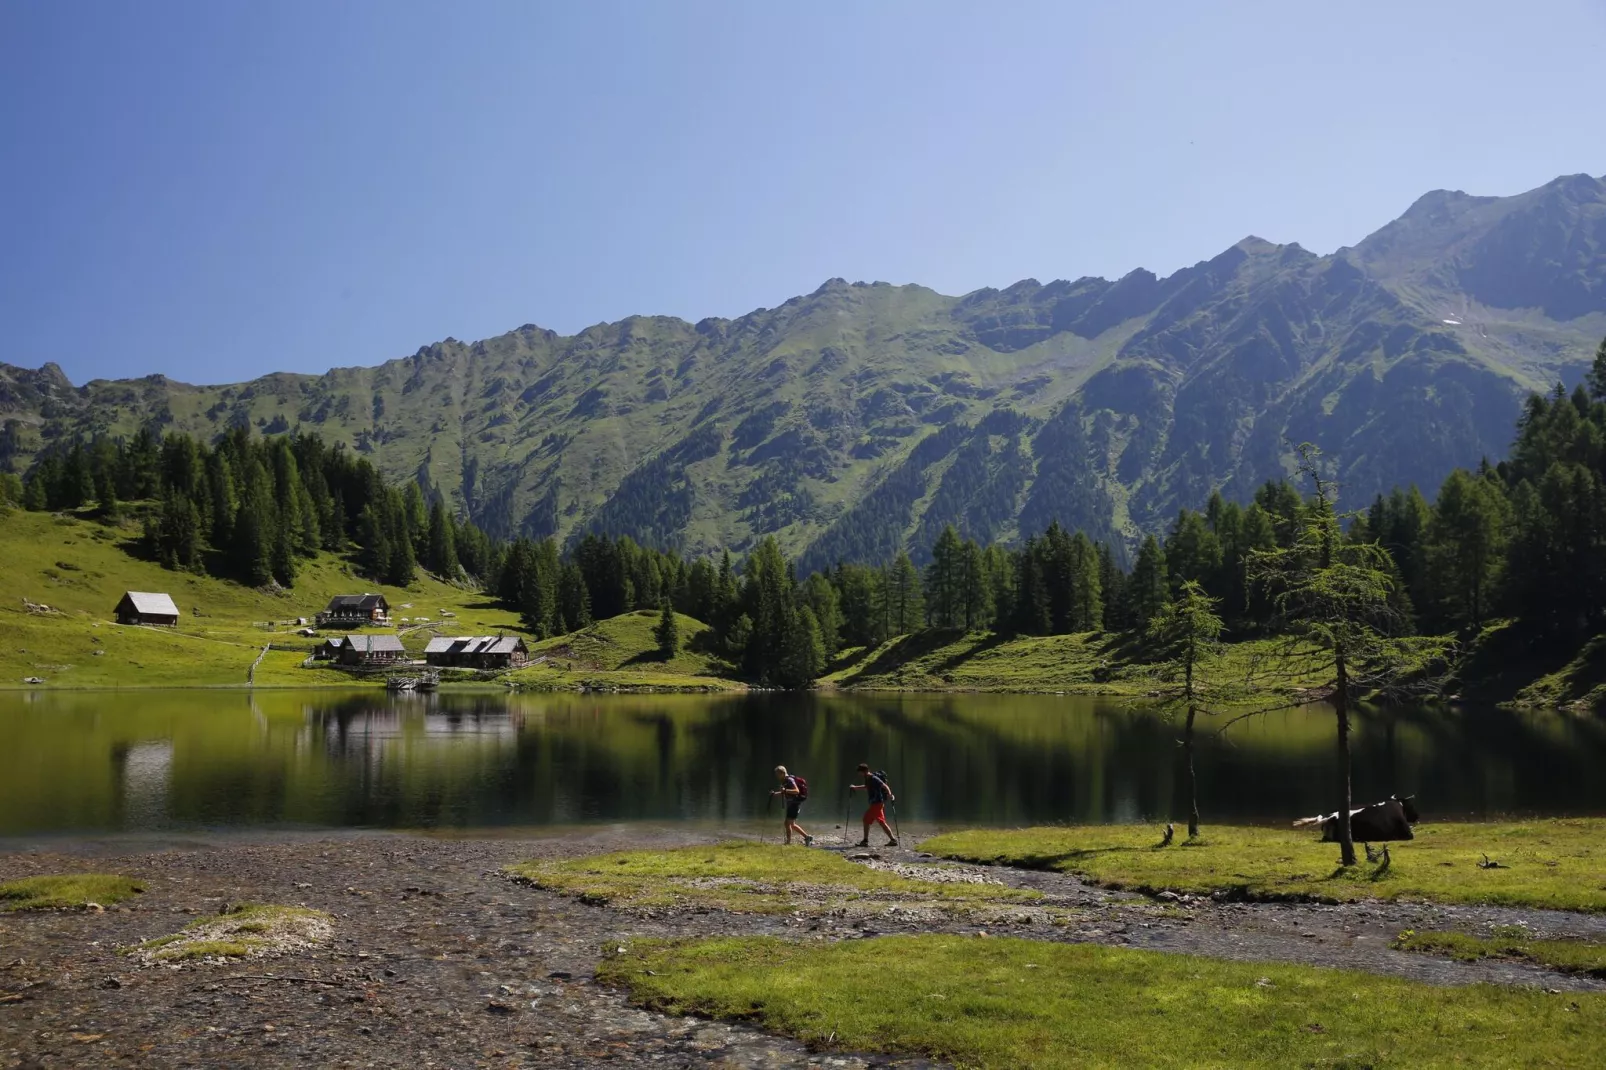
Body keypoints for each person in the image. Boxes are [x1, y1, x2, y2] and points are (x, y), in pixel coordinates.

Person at [849, 763, 897, 847]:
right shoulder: (867, 778)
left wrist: (890, 794)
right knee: (880, 822)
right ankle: (892, 840)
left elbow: (885, 786)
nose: (859, 773)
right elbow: (867, 787)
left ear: (866, 771)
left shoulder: (874, 778)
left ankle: (865, 841)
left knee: (866, 819)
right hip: (876, 803)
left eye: (860, 772)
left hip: (877, 803)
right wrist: (855, 787)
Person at [772, 765, 813, 846]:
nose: (777, 776)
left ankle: (788, 842)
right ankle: (807, 837)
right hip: (792, 804)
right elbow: (786, 792)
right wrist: (775, 794)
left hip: (794, 804)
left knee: (787, 824)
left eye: (778, 774)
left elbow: (796, 791)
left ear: (783, 773)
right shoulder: (785, 781)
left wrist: (785, 790)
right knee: (792, 824)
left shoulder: (790, 780)